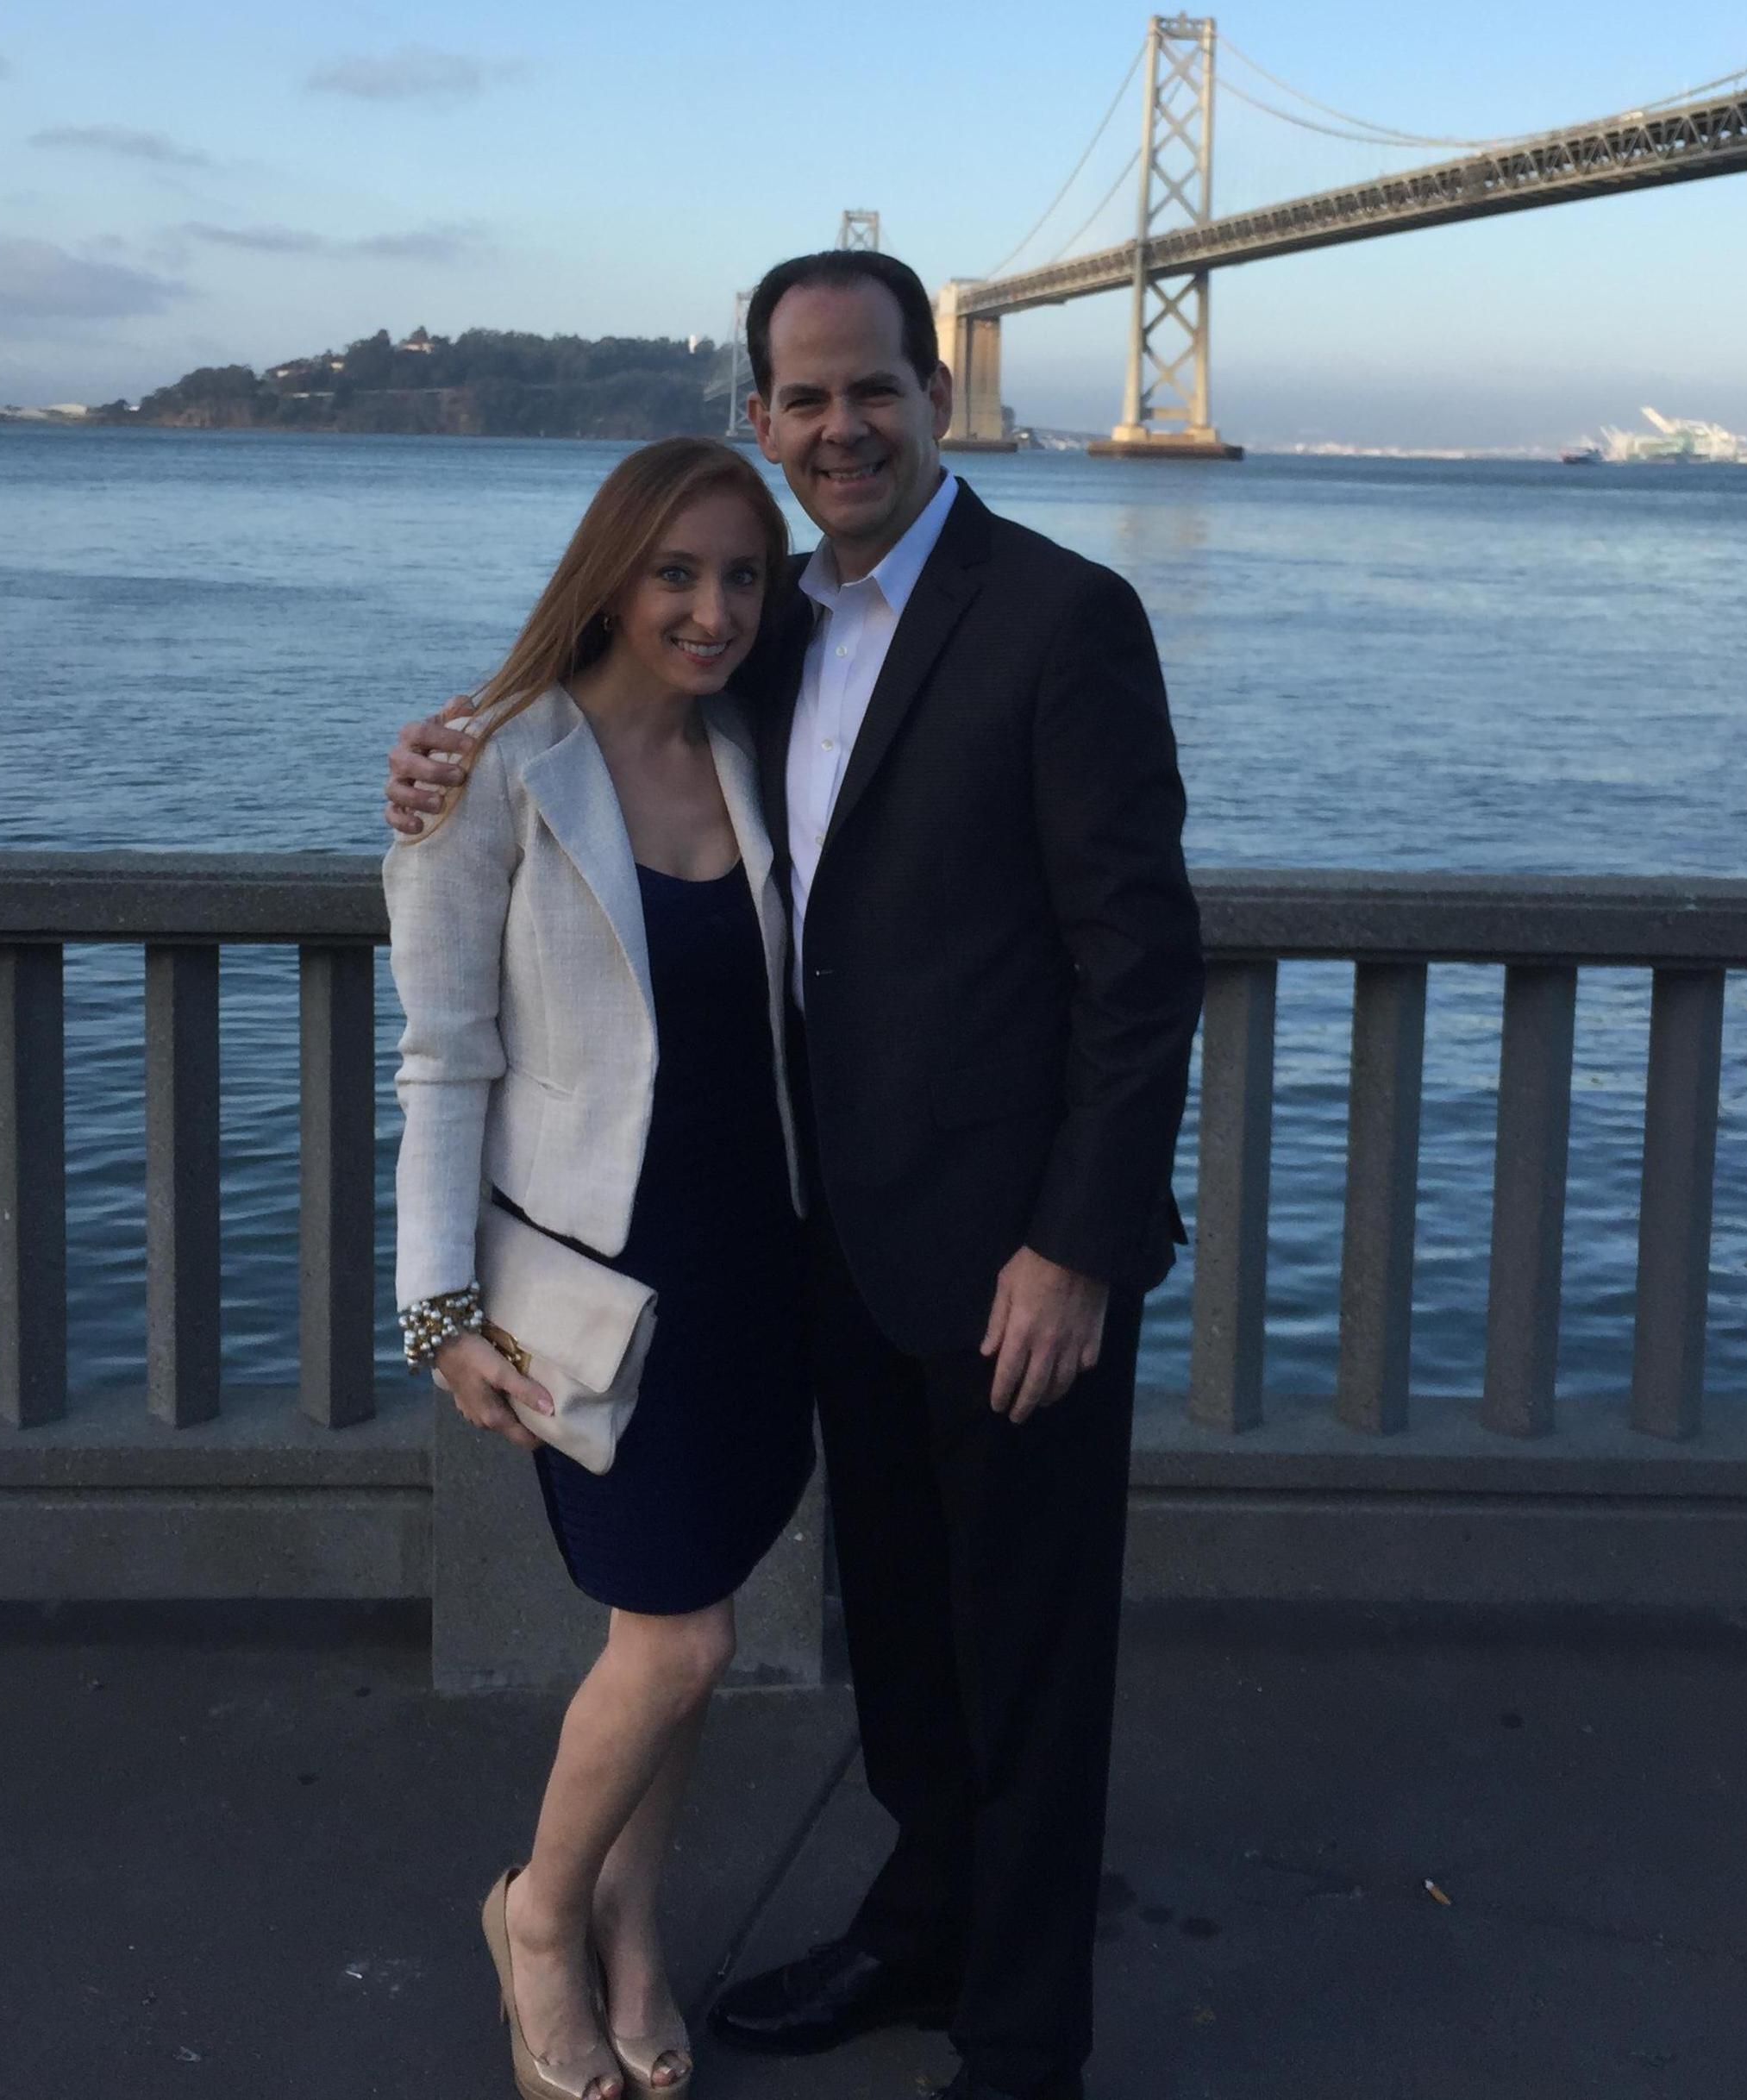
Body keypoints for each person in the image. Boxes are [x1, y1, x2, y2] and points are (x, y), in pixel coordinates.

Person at [388, 252, 1205, 2100]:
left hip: (1011, 1267)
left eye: (877, 391)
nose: (842, 427)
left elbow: (1141, 966)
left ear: (937, 393)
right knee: (903, 1649)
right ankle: (918, 1930)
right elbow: (591, 784)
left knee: (1029, 1662)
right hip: (810, 1252)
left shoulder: (1061, 618)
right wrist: (451, 747)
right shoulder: (762, 650)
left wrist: (1076, 1245)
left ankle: (1020, 2044)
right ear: (762, 418)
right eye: (805, 400)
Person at [386, 436, 810, 2100]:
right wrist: (437, 1310)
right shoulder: (487, 768)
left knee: (681, 1617)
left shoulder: (759, 750)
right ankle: (540, 1922)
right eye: (677, 573)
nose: (711, 611)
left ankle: (637, 1928)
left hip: (758, 1261)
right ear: (611, 574)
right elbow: (442, 1059)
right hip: (596, 1286)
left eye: (742, 578)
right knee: (681, 1641)